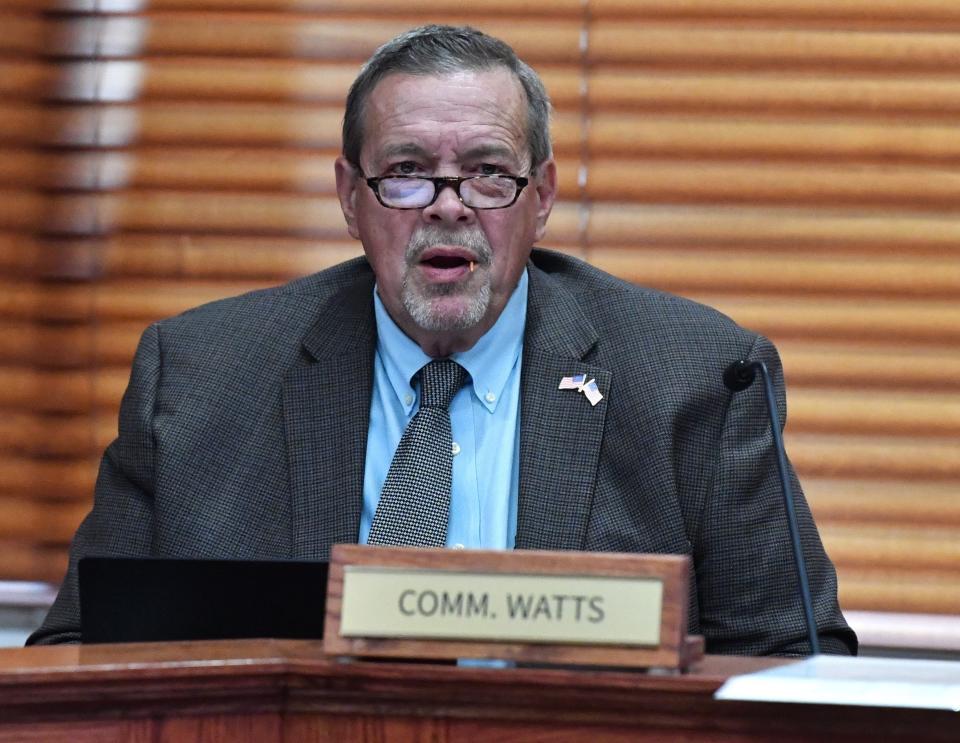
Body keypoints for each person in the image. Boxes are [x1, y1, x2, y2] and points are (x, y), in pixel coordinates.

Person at [29, 25, 856, 655]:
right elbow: (76, 664)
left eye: (490, 171)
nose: (448, 205)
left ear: (544, 196)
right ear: (350, 197)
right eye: (407, 170)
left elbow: (795, 669)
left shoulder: (697, 381)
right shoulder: (199, 380)